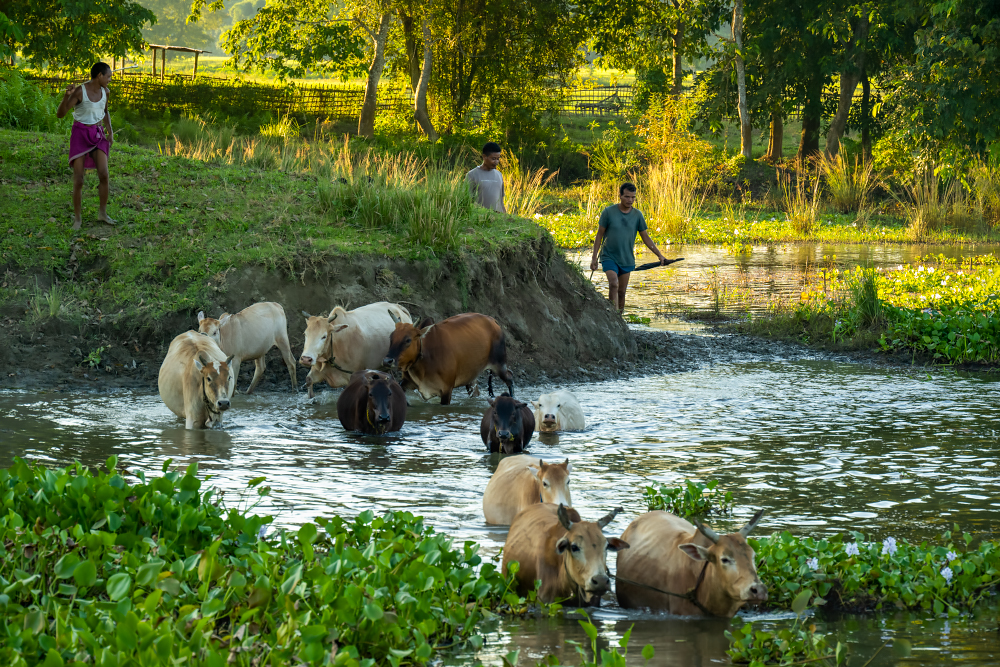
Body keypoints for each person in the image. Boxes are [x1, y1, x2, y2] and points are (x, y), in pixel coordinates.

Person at [589, 182, 668, 312]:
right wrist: (594, 258)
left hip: (626, 259)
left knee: (622, 291)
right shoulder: (608, 212)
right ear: (620, 195)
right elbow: (599, 235)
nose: (630, 200)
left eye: (633, 197)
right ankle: (613, 317)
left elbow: (645, 237)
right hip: (609, 256)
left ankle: (619, 318)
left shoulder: (638, 215)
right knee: (613, 284)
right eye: (627, 197)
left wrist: (659, 255)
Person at [56, 62, 115, 230]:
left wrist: (110, 132)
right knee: (79, 180)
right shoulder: (80, 91)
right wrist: (66, 96)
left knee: (104, 174)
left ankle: (102, 213)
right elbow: (60, 114)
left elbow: (105, 112)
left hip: (98, 135)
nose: (110, 79)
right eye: (108, 76)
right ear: (99, 76)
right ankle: (77, 219)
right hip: (80, 135)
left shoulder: (106, 92)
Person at [466, 141, 507, 213]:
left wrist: (505, 216)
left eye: (498, 159)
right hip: (480, 218)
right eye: (493, 159)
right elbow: (467, 200)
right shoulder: (472, 175)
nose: (496, 162)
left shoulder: (499, 175)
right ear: (484, 157)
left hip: (499, 219)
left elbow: (501, 200)